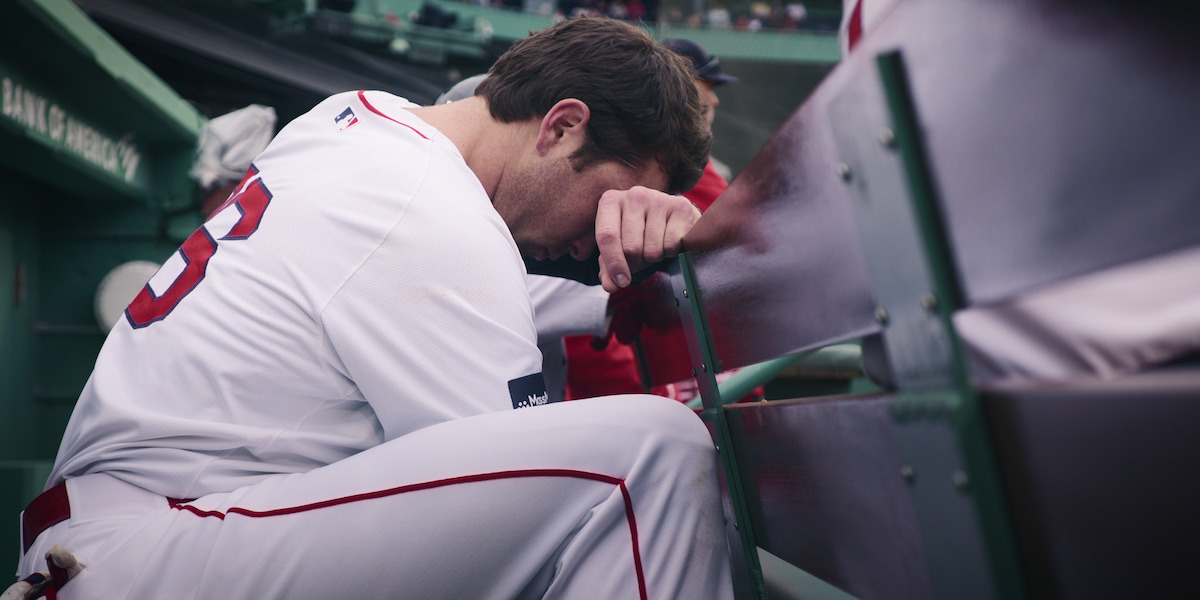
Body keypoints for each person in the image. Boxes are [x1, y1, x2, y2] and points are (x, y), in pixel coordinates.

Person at [12, 17, 734, 600]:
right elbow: (515, 526)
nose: (591, 238)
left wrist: (601, 305)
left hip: (121, 536)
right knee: (653, 449)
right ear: (562, 126)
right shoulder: (434, 216)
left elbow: (407, 279)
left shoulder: (354, 122)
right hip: (152, 554)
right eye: (612, 192)